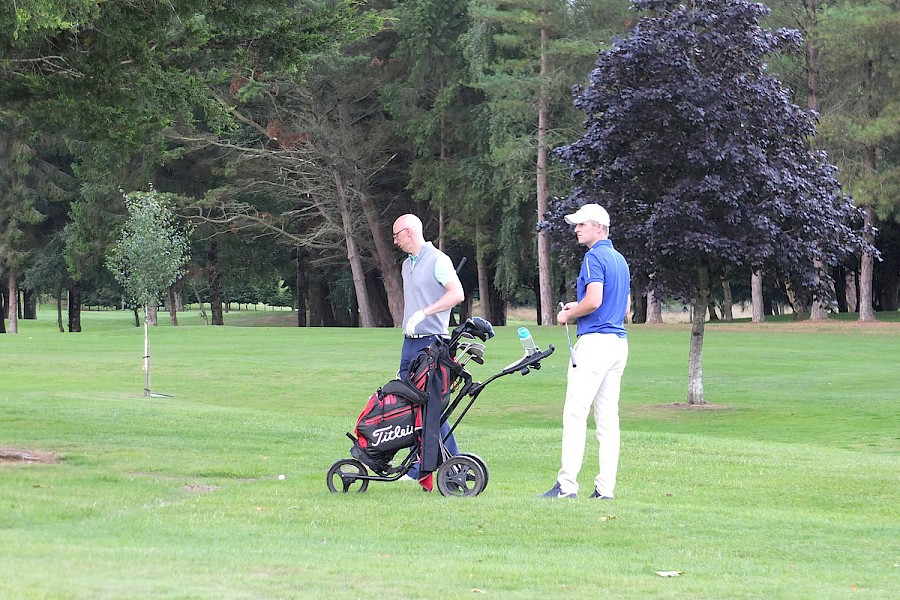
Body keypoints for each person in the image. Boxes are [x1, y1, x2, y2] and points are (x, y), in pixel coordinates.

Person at [541, 203, 630, 500]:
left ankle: (566, 486)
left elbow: (593, 301)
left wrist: (569, 314)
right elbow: (624, 308)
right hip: (618, 344)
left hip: (594, 344)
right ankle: (605, 489)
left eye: (582, 224)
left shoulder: (593, 257)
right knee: (607, 420)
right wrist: (578, 308)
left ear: (599, 228)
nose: (576, 229)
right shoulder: (620, 260)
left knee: (575, 414)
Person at [392, 213, 465, 480]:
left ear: (409, 232)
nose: (395, 241)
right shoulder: (405, 265)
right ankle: (424, 464)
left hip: (431, 343)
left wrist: (425, 313)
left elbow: (456, 294)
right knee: (410, 405)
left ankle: (449, 464)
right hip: (409, 342)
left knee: (431, 408)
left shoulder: (438, 260)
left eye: (397, 235)